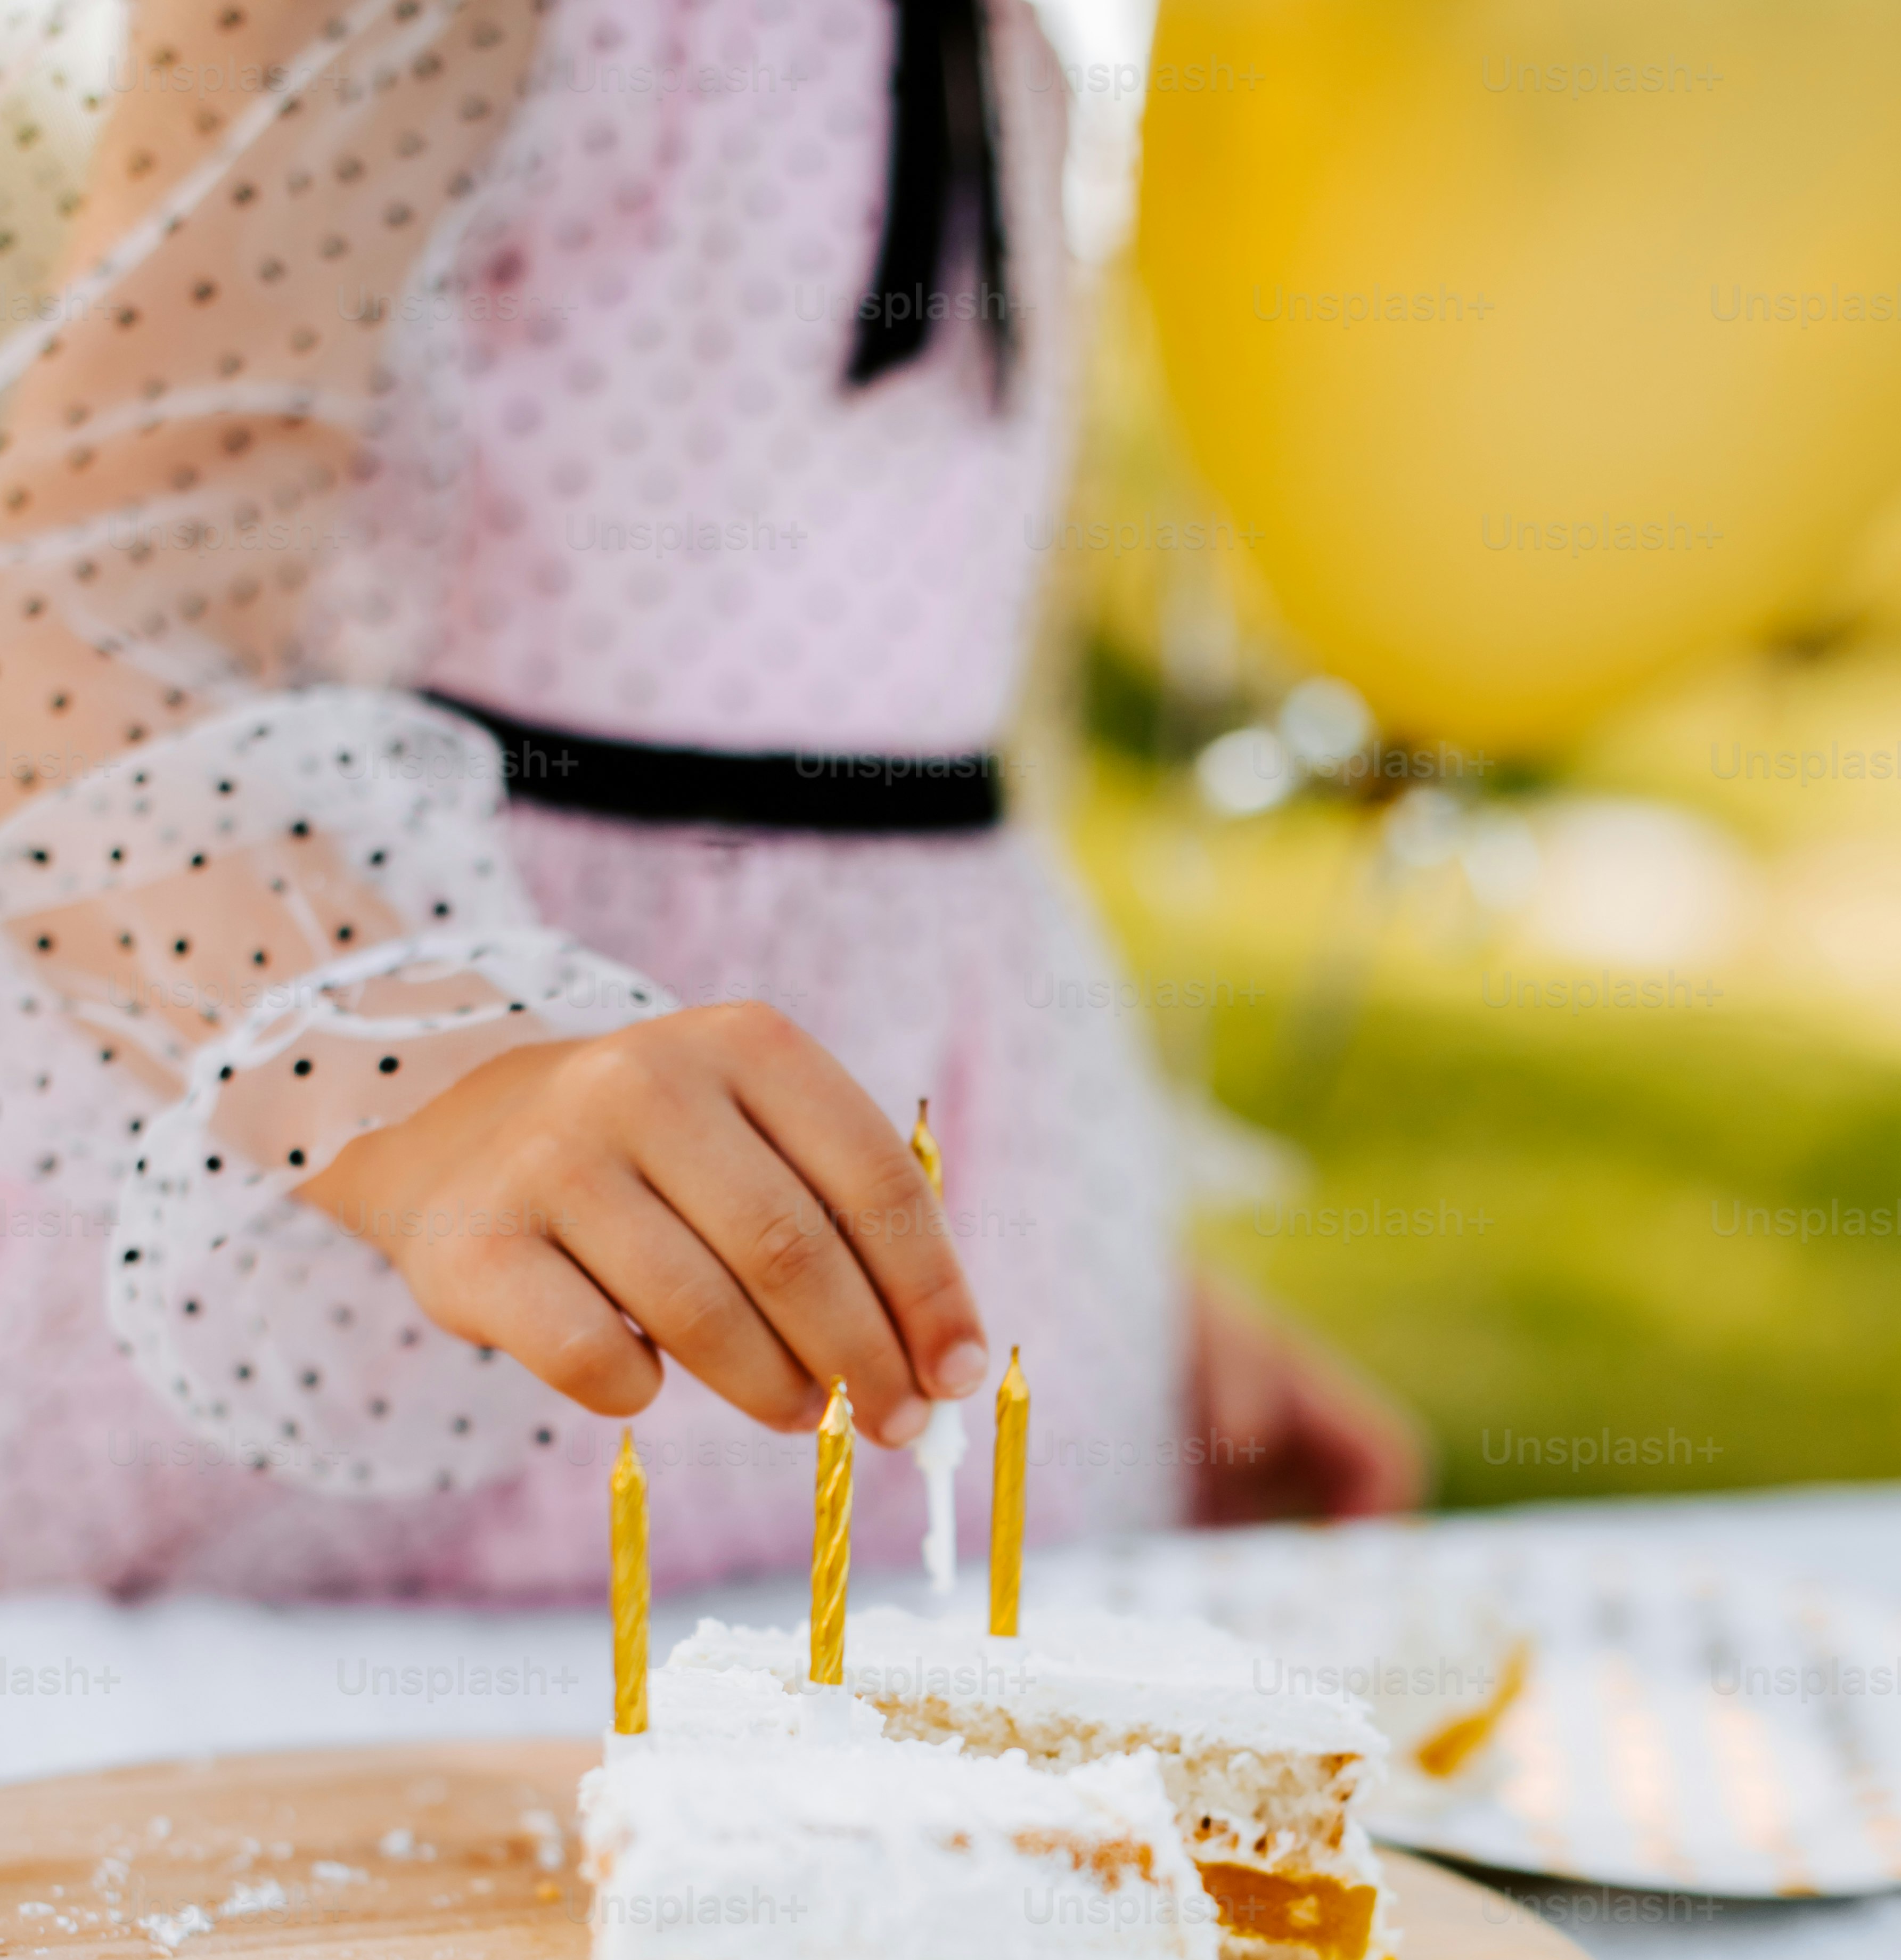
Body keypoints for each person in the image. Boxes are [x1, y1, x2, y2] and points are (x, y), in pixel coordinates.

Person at [0, 0, 1417, 1600]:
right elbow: (67, 629)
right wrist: (427, 1084)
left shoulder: (999, 40)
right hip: (411, 1228)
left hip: (910, 1177)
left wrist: (1105, 1277)